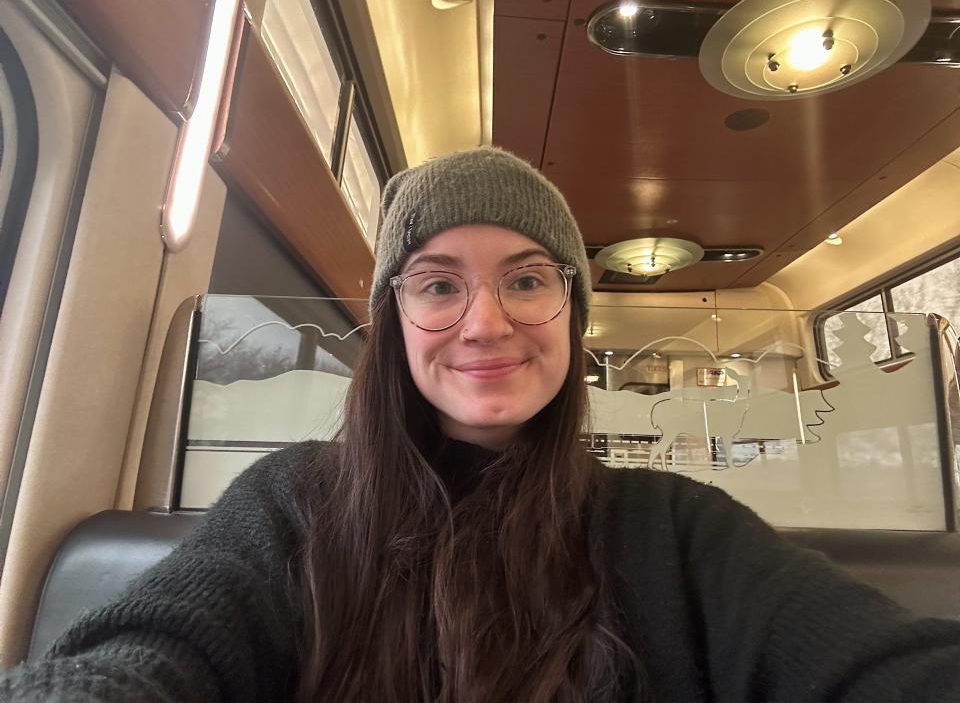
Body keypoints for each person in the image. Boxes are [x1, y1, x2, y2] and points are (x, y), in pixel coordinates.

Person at [2, 147, 960, 702]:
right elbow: (148, 661)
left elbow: (876, 664)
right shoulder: (293, 504)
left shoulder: (676, 532)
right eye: (439, 284)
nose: (486, 322)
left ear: (573, 316)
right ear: (393, 322)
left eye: (528, 279)